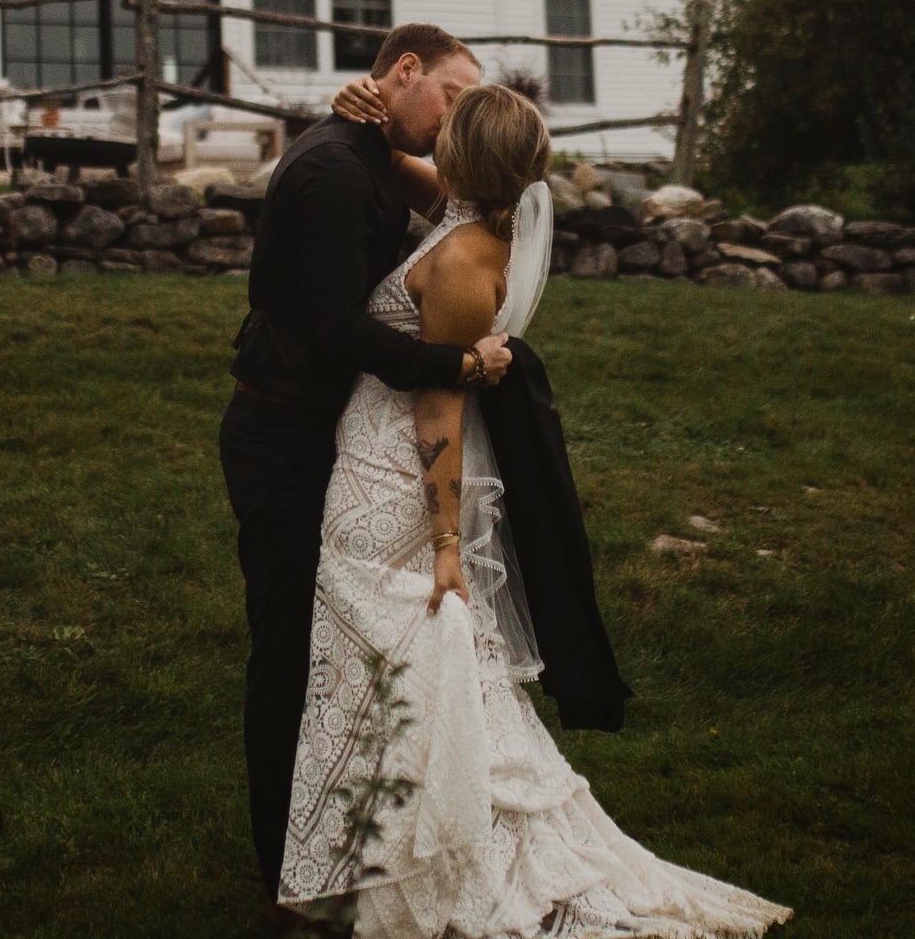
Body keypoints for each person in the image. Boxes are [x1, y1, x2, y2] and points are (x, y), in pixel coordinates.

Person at [278, 82, 792, 939]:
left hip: (392, 481)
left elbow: (438, 409)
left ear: (466, 158)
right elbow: (404, 167)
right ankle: (377, 853)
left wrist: (446, 541)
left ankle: (421, 859)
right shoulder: (472, 212)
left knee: (391, 662)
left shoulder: (455, 264)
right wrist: (354, 111)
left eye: (448, 129)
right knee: (385, 667)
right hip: (372, 458)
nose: (434, 133)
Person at [219, 24, 517, 914]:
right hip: (280, 437)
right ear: (406, 71)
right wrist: (458, 366)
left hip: (327, 432)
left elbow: (478, 189)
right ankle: (283, 858)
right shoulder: (337, 171)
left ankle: (343, 835)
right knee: (286, 646)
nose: (456, 116)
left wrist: (375, 112)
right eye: (452, 95)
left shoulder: (374, 152)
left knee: (334, 643)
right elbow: (334, 333)